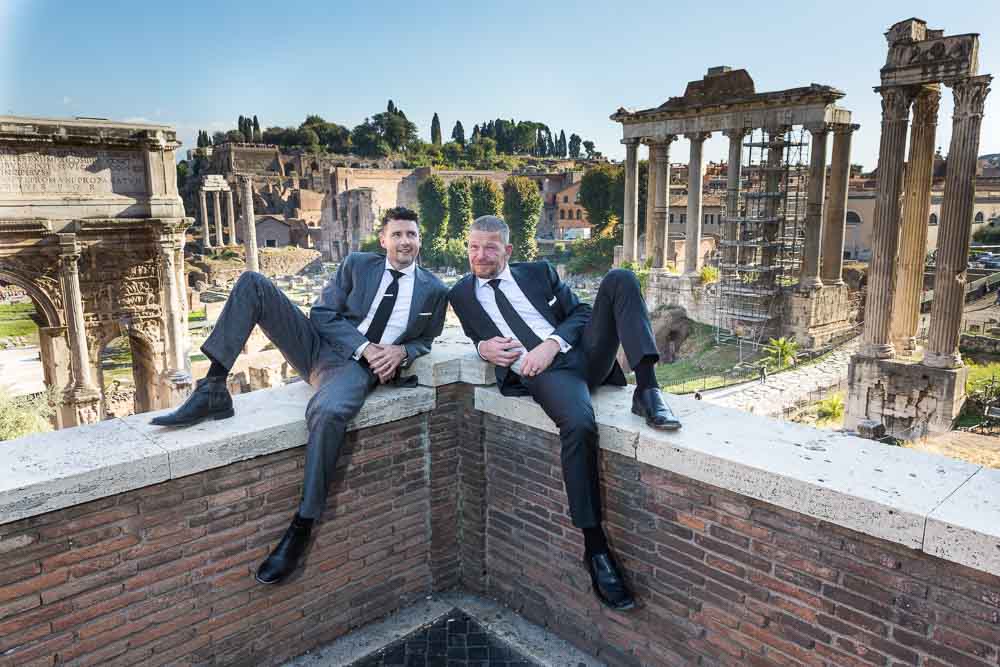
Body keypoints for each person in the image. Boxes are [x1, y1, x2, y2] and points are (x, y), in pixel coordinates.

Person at [151, 207, 448, 584]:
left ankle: (304, 522)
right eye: (398, 234)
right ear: (384, 239)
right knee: (252, 283)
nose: (405, 241)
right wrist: (366, 346)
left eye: (412, 234)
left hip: (352, 371)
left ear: (419, 240)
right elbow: (322, 313)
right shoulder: (358, 264)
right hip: (318, 346)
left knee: (328, 412)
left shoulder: (434, 291)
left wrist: (403, 352)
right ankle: (213, 386)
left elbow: (426, 339)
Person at [448, 215, 681, 612]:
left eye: (489, 247)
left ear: (507, 250)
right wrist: (482, 349)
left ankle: (648, 389)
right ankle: (595, 548)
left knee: (621, 279)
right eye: (473, 246)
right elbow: (477, 337)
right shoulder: (461, 295)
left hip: (579, 355)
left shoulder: (539, 272)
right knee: (578, 425)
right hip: (545, 376)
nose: (480, 255)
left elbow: (584, 314)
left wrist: (551, 343)